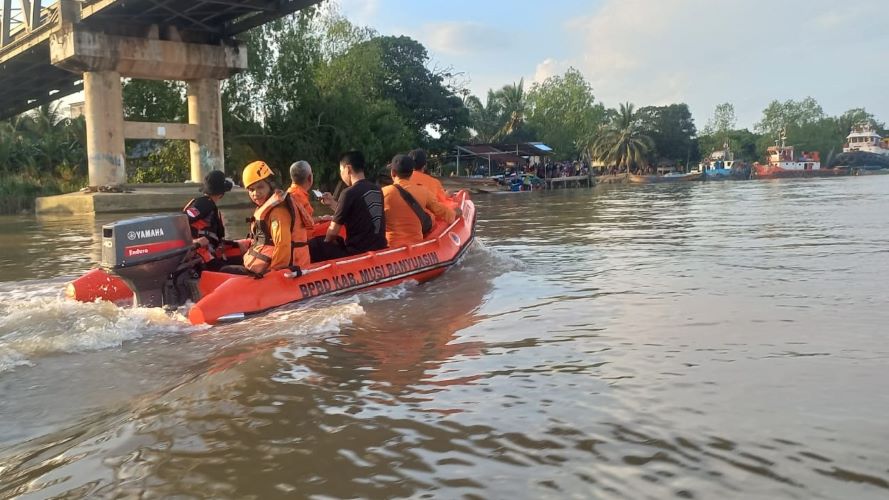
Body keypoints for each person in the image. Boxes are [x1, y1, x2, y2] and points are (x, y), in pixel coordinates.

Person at [236, 160, 312, 276]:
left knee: (225, 270)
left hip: (288, 267)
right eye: (251, 190)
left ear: (270, 185)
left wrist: (272, 273)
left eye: (260, 187)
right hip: (265, 264)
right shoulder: (266, 207)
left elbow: (283, 246)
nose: (255, 193)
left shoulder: (279, 211)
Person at [309, 150, 386, 262]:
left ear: (348, 169)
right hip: (379, 247)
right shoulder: (377, 190)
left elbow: (332, 232)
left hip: (357, 252)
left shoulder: (349, 192)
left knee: (315, 244)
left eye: (341, 171)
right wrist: (332, 203)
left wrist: (327, 241)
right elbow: (358, 212)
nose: (341, 175)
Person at [382, 154, 458, 248]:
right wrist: (455, 214)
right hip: (416, 246)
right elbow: (441, 210)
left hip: (391, 248)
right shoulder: (423, 191)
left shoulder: (383, 193)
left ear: (393, 173)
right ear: (411, 173)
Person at [182, 170, 237, 271]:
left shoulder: (207, 204)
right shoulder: (204, 204)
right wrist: (194, 242)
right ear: (221, 193)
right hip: (201, 257)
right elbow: (183, 220)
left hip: (208, 252)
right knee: (233, 272)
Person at [287, 160, 331, 226]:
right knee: (338, 225)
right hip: (305, 233)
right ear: (310, 178)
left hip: (301, 230)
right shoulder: (298, 195)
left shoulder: (290, 192)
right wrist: (322, 218)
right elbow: (306, 223)